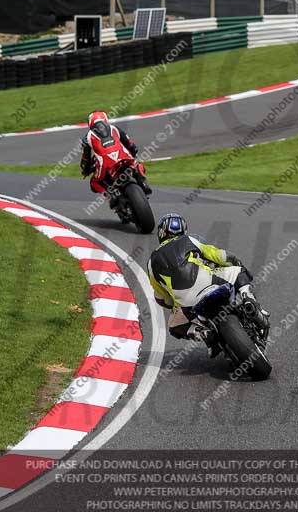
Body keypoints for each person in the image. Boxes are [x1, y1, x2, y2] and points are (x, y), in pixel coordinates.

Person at [147, 213, 268, 356]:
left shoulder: (150, 263)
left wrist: (174, 303)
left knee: (174, 326)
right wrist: (236, 262)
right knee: (238, 271)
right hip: (209, 281)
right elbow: (221, 256)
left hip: (187, 302)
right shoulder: (189, 239)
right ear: (183, 230)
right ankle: (250, 303)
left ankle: (204, 334)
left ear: (161, 233)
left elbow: (162, 297)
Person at [80, 110, 151, 208]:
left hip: (105, 165)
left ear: (90, 123)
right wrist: (133, 152)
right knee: (137, 165)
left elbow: (86, 159)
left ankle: (111, 194)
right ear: (105, 119)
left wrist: (86, 170)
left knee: (94, 183)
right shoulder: (114, 128)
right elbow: (131, 145)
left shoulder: (87, 137)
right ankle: (143, 182)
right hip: (124, 157)